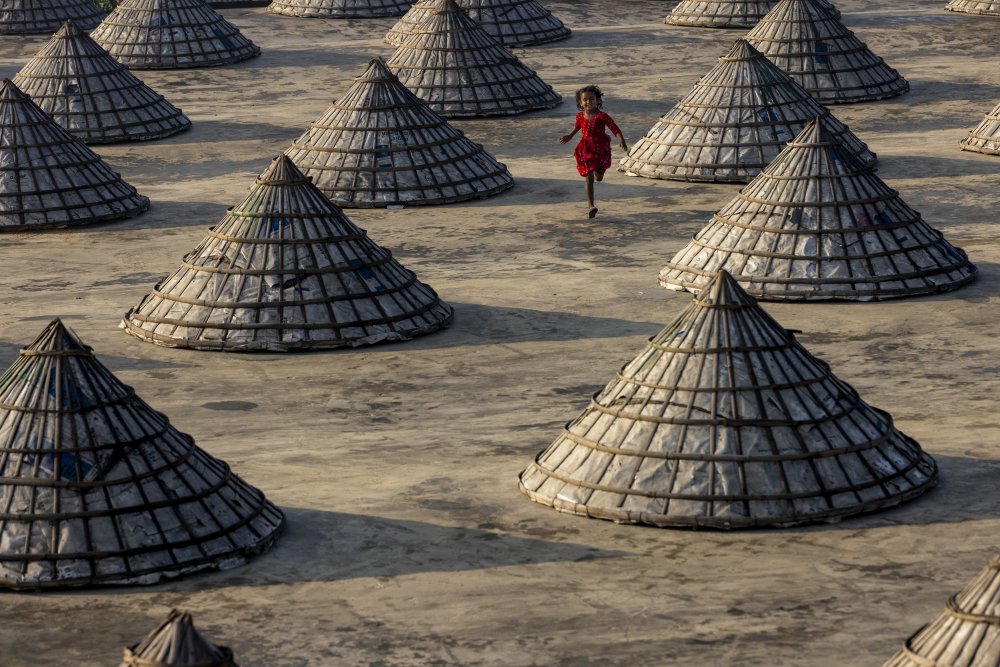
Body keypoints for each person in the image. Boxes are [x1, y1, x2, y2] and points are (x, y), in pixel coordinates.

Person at [560, 85, 628, 219]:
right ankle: (591, 206)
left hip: (600, 148)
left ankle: (600, 170)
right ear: (580, 102)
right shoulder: (580, 116)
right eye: (585, 100)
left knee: (599, 177)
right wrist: (570, 136)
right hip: (586, 148)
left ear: (598, 100)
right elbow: (578, 127)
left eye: (591, 99)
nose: (588, 102)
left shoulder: (602, 116)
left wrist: (621, 140)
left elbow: (614, 128)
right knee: (588, 176)